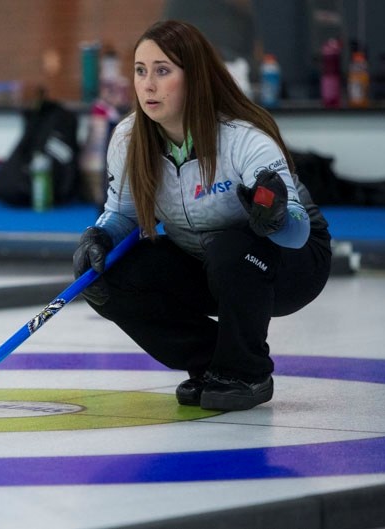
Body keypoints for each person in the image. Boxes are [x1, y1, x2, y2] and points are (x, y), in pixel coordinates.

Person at [73, 20, 331, 411]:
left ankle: (246, 371)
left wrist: (275, 218)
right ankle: (214, 363)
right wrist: (99, 238)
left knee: (230, 247)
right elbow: (121, 214)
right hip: (205, 262)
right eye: (141, 71)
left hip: (288, 265)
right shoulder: (128, 139)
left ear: (195, 77)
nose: (148, 84)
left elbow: (296, 233)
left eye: (163, 71)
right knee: (106, 275)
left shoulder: (244, 139)